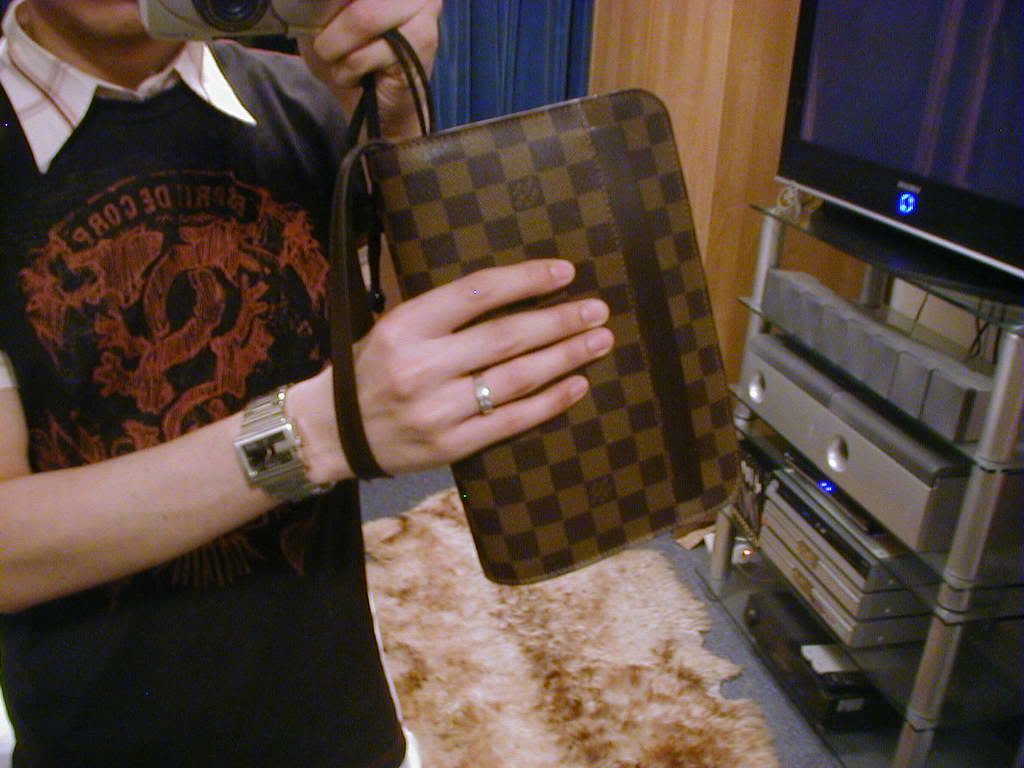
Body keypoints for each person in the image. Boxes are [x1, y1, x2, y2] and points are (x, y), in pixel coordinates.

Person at [0, 1, 614, 765]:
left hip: (339, 716)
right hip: (102, 739)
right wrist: (313, 434)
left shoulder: (302, 104)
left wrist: (396, 125)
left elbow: (425, 347)